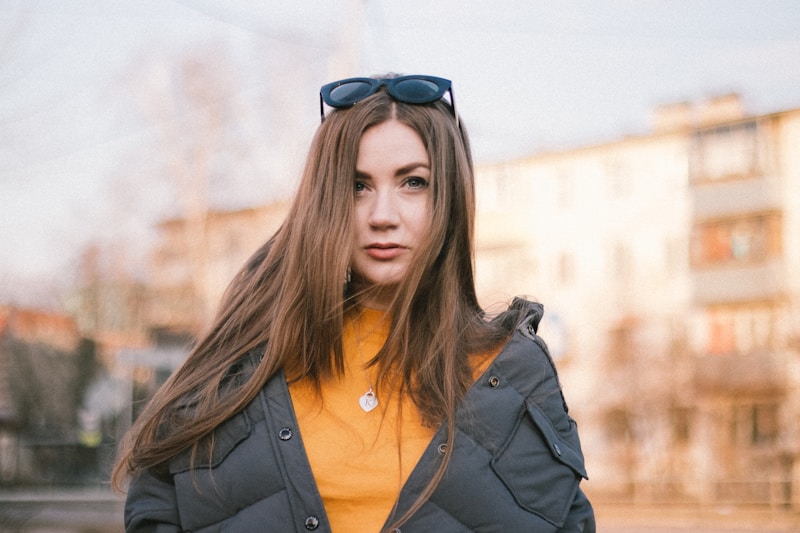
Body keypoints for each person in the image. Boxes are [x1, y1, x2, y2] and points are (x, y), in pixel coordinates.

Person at [112, 74, 595, 532]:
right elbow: (158, 502)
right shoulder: (247, 367)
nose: (382, 216)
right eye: (357, 186)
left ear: (449, 196)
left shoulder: (515, 374)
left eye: (413, 182)